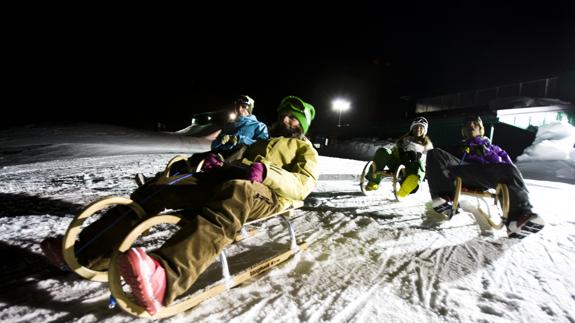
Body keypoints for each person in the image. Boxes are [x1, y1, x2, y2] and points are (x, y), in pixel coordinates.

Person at [42, 95, 319, 316]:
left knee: (237, 192)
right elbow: (234, 158)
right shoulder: (263, 140)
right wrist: (219, 163)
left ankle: (166, 276)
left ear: (302, 126)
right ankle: (89, 252)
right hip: (230, 179)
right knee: (162, 188)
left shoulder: (305, 150)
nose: (286, 120)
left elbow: (303, 185)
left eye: (294, 119)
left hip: (267, 194)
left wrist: (267, 173)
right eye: (285, 114)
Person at [426, 115, 544, 237]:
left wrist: (488, 153)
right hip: (464, 172)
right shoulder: (459, 148)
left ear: (480, 128)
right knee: (434, 153)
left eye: (475, 124)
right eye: (468, 125)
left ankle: (518, 218)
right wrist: (463, 151)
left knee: (510, 169)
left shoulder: (494, 148)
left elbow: (507, 166)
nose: (471, 126)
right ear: (464, 131)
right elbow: (443, 164)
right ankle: (444, 199)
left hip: (486, 174)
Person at [135, 95, 269, 186]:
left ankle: (174, 185)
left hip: (236, 158)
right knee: (188, 162)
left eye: (244, 107)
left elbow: (263, 145)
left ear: (249, 109)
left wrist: (241, 139)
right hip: (218, 154)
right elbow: (214, 144)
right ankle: (154, 181)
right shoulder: (229, 125)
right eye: (238, 106)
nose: (239, 109)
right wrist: (221, 140)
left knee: (198, 171)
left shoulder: (258, 126)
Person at [364, 117, 433, 198]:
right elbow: (394, 151)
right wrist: (399, 151)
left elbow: (428, 162)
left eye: (421, 127)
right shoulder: (404, 140)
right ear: (412, 129)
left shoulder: (427, 145)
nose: (418, 129)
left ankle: (408, 186)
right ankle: (373, 181)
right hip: (398, 165)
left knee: (418, 164)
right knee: (383, 151)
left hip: (412, 169)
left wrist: (416, 156)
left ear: (425, 131)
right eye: (416, 127)